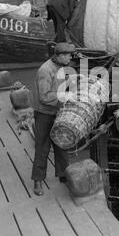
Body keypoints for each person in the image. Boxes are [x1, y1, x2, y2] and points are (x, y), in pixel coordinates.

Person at [31, 42, 76, 196]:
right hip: (44, 113)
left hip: (58, 111)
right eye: (68, 55)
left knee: (62, 144)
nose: (71, 57)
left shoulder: (62, 68)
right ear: (59, 56)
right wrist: (65, 96)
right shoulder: (45, 70)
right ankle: (38, 180)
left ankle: (64, 175)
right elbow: (44, 97)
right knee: (42, 147)